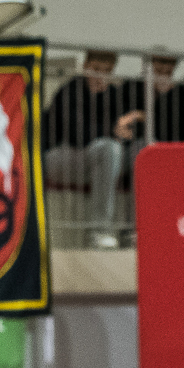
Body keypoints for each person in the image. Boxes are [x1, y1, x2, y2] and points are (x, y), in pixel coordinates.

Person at [42, 50, 131, 248]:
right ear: (85, 67)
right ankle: (99, 231)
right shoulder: (69, 90)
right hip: (59, 156)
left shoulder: (113, 95)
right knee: (109, 148)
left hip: (95, 158)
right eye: (96, 69)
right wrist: (112, 130)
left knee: (127, 152)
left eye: (106, 71)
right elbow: (77, 136)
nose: (100, 76)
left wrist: (121, 127)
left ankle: (134, 232)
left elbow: (127, 131)